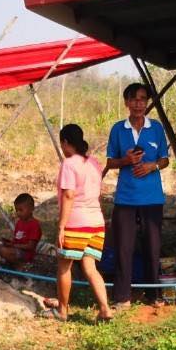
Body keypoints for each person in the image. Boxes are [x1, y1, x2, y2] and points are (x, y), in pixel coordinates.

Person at [105, 82, 169, 306]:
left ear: (147, 102)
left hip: (152, 197)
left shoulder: (156, 128)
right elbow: (110, 161)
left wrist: (153, 166)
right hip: (126, 197)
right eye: (133, 99)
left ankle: (154, 295)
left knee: (153, 246)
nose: (138, 103)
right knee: (124, 246)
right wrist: (126, 160)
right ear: (126, 103)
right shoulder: (118, 129)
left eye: (142, 99)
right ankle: (122, 297)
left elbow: (165, 158)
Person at [54, 125, 112, 322]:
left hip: (76, 222)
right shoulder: (94, 163)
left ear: (65, 143)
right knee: (90, 267)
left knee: (64, 266)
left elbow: (69, 195)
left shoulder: (69, 164)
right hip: (96, 223)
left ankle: (62, 310)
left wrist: (61, 226)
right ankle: (105, 308)